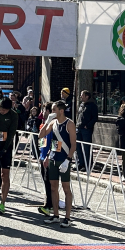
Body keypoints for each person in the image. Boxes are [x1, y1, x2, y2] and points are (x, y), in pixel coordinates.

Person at [39, 100, 75, 228]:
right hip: (53, 158)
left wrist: (68, 160)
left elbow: (73, 145)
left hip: (64, 159)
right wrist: (47, 122)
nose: (52, 112)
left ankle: (68, 217)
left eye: (54, 110)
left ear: (61, 110)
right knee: (53, 187)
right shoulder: (53, 123)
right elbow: (41, 135)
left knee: (66, 188)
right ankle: (55, 215)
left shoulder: (69, 124)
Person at [36, 102, 54, 216]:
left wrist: (47, 155)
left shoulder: (53, 125)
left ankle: (50, 205)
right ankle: (48, 203)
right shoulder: (44, 124)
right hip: (43, 155)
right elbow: (41, 140)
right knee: (45, 181)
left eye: (44, 110)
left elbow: (53, 142)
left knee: (49, 182)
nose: (42, 112)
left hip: (49, 156)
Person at [75, 90, 98, 171]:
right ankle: (79, 163)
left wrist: (87, 126)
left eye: (82, 95)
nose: (81, 97)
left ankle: (87, 164)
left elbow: (95, 118)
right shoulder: (81, 105)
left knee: (86, 147)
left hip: (86, 130)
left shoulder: (92, 105)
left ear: (87, 96)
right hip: (79, 128)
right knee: (78, 147)